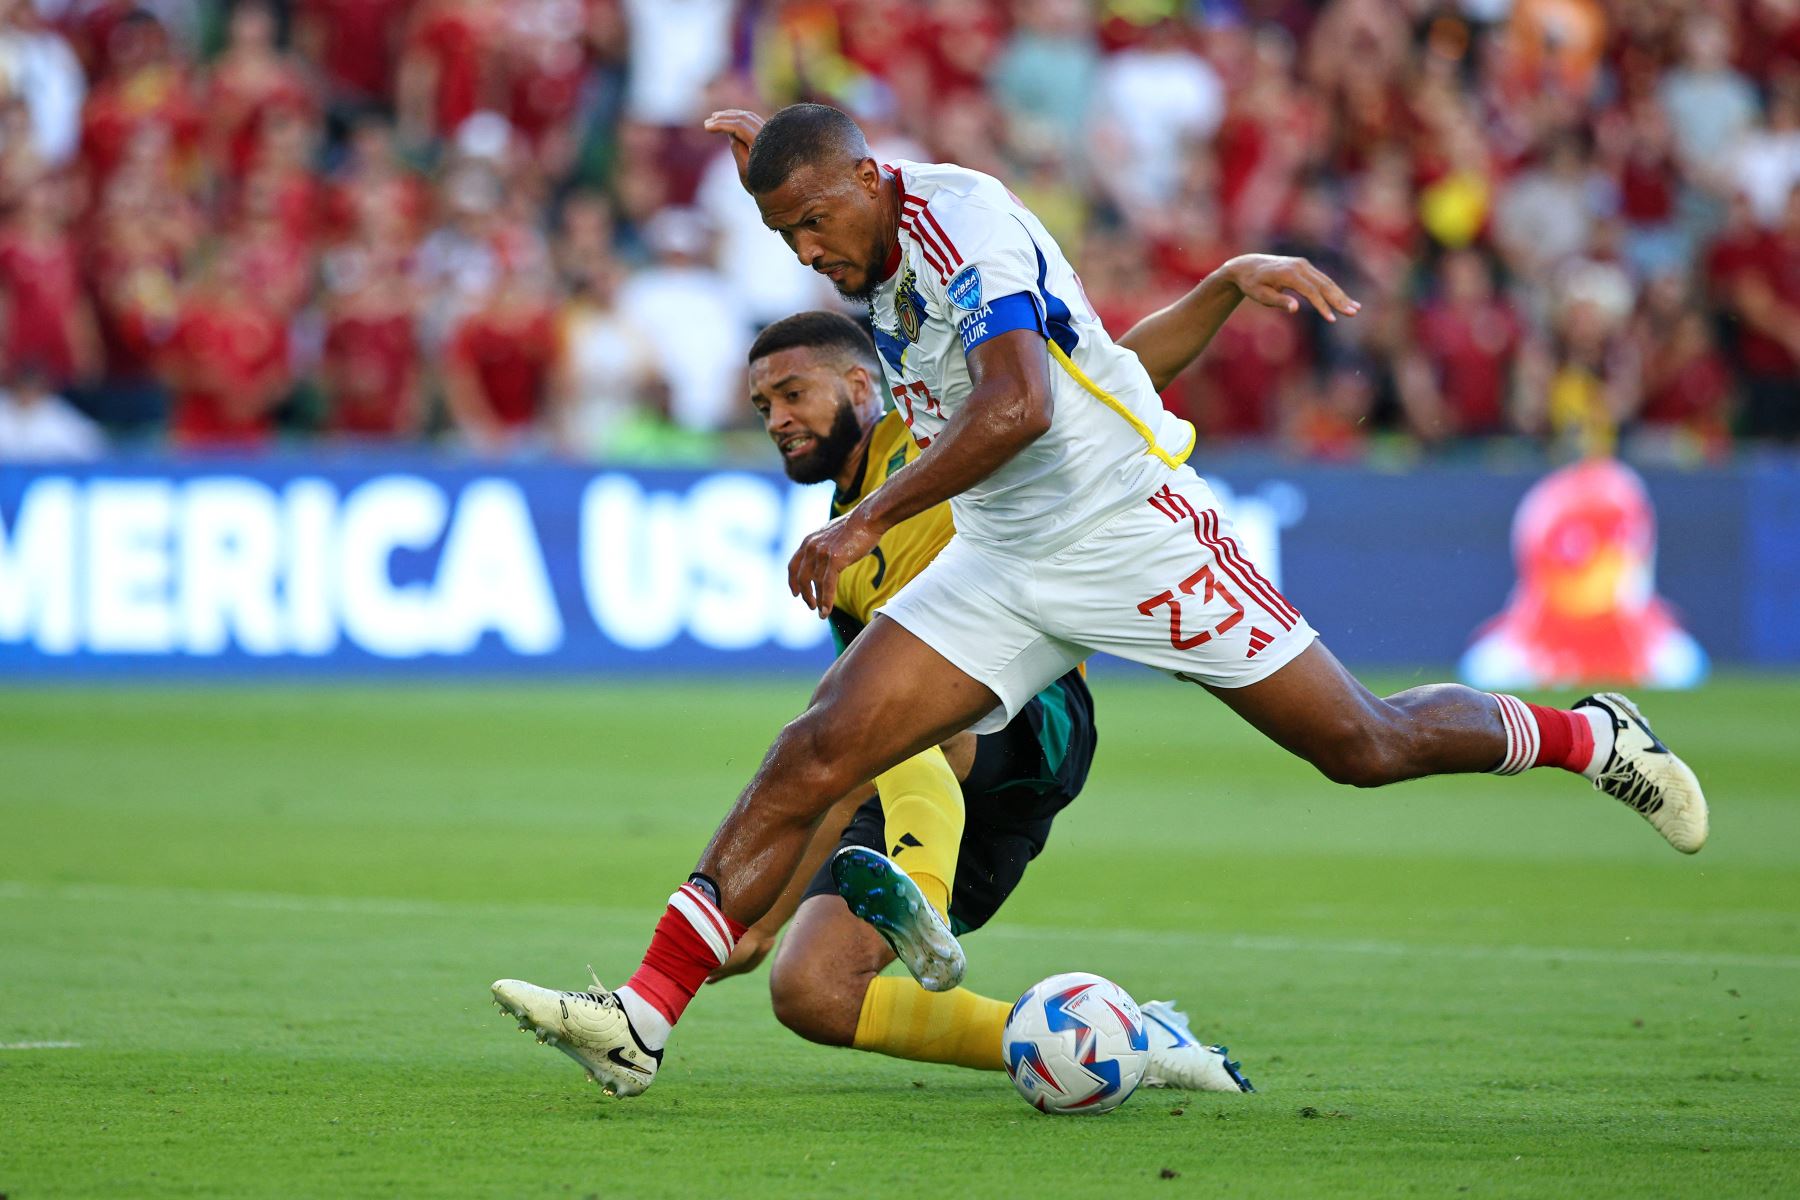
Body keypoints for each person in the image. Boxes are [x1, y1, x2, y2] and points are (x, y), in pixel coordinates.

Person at [493, 103, 1709, 1098]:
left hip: (1130, 537)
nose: (810, 253)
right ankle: (642, 1015)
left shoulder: (958, 223)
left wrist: (866, 515)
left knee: (1364, 744)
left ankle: (1588, 732)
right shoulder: (856, 219)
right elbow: (1094, 363)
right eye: (788, 236)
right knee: (819, 743)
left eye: (816, 222)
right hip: (1004, 553)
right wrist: (777, 153)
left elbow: (1021, 404)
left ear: (869, 177)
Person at [695, 308, 1275, 1093]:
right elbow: (834, 756)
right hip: (924, 782)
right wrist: (759, 925)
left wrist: (1224, 288)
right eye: (764, 407)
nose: (778, 420)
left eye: (793, 394)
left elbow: (1114, 375)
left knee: (901, 716)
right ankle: (1120, 1040)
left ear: (861, 382)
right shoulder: (844, 554)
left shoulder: (936, 427)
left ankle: (921, 900)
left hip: (1034, 722)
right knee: (812, 994)